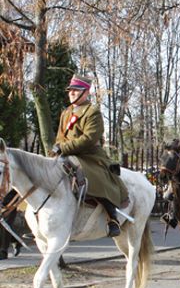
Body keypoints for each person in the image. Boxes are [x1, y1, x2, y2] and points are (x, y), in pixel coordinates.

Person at [49, 75, 128, 237]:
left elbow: (88, 139)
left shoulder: (93, 113)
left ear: (85, 92)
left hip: (90, 156)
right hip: (66, 153)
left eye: (75, 90)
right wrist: (57, 148)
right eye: (70, 90)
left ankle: (112, 217)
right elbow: (60, 137)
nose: (71, 93)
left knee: (97, 178)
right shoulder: (66, 112)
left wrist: (63, 147)